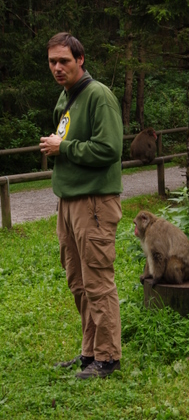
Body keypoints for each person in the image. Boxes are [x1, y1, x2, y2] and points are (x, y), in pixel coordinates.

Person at [39, 32, 123, 379]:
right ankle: (90, 352)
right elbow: (68, 139)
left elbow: (109, 149)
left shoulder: (97, 95)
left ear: (80, 60)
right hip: (69, 202)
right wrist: (58, 146)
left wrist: (65, 149)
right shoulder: (67, 98)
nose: (58, 68)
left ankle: (108, 358)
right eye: (52, 62)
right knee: (78, 281)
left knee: (98, 281)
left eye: (64, 61)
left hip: (94, 203)